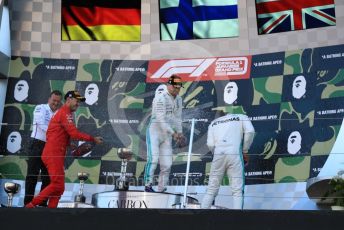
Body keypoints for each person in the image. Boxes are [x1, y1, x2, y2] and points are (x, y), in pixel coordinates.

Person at [25, 90, 103, 208]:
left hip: (56, 152)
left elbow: (61, 132)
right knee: (51, 182)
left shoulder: (64, 113)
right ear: (68, 100)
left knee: (59, 187)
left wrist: (69, 144)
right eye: (76, 101)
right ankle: (30, 206)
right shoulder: (63, 112)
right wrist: (93, 139)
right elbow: (74, 133)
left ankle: (50, 211)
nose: (78, 103)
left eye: (79, 102)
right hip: (50, 152)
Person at [201, 111, 255, 209]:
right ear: (228, 113)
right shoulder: (241, 116)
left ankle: (199, 218)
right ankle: (237, 220)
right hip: (234, 153)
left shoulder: (213, 123)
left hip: (218, 154)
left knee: (211, 190)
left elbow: (210, 144)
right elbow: (250, 131)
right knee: (237, 190)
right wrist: (245, 150)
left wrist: (217, 153)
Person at [144, 75, 185, 192]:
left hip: (167, 134)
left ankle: (161, 188)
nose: (176, 90)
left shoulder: (179, 99)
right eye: (174, 87)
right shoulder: (160, 98)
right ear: (168, 85)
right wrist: (174, 133)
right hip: (155, 131)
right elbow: (161, 120)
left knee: (167, 164)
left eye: (178, 87)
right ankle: (148, 185)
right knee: (153, 159)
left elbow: (178, 118)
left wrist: (180, 133)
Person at [24, 90, 62, 206]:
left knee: (48, 177)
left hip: (51, 148)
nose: (55, 103)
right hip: (37, 144)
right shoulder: (41, 108)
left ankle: (42, 203)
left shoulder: (59, 113)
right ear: (49, 99)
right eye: (54, 100)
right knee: (32, 175)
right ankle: (28, 203)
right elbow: (40, 124)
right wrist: (55, 133)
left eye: (58, 101)